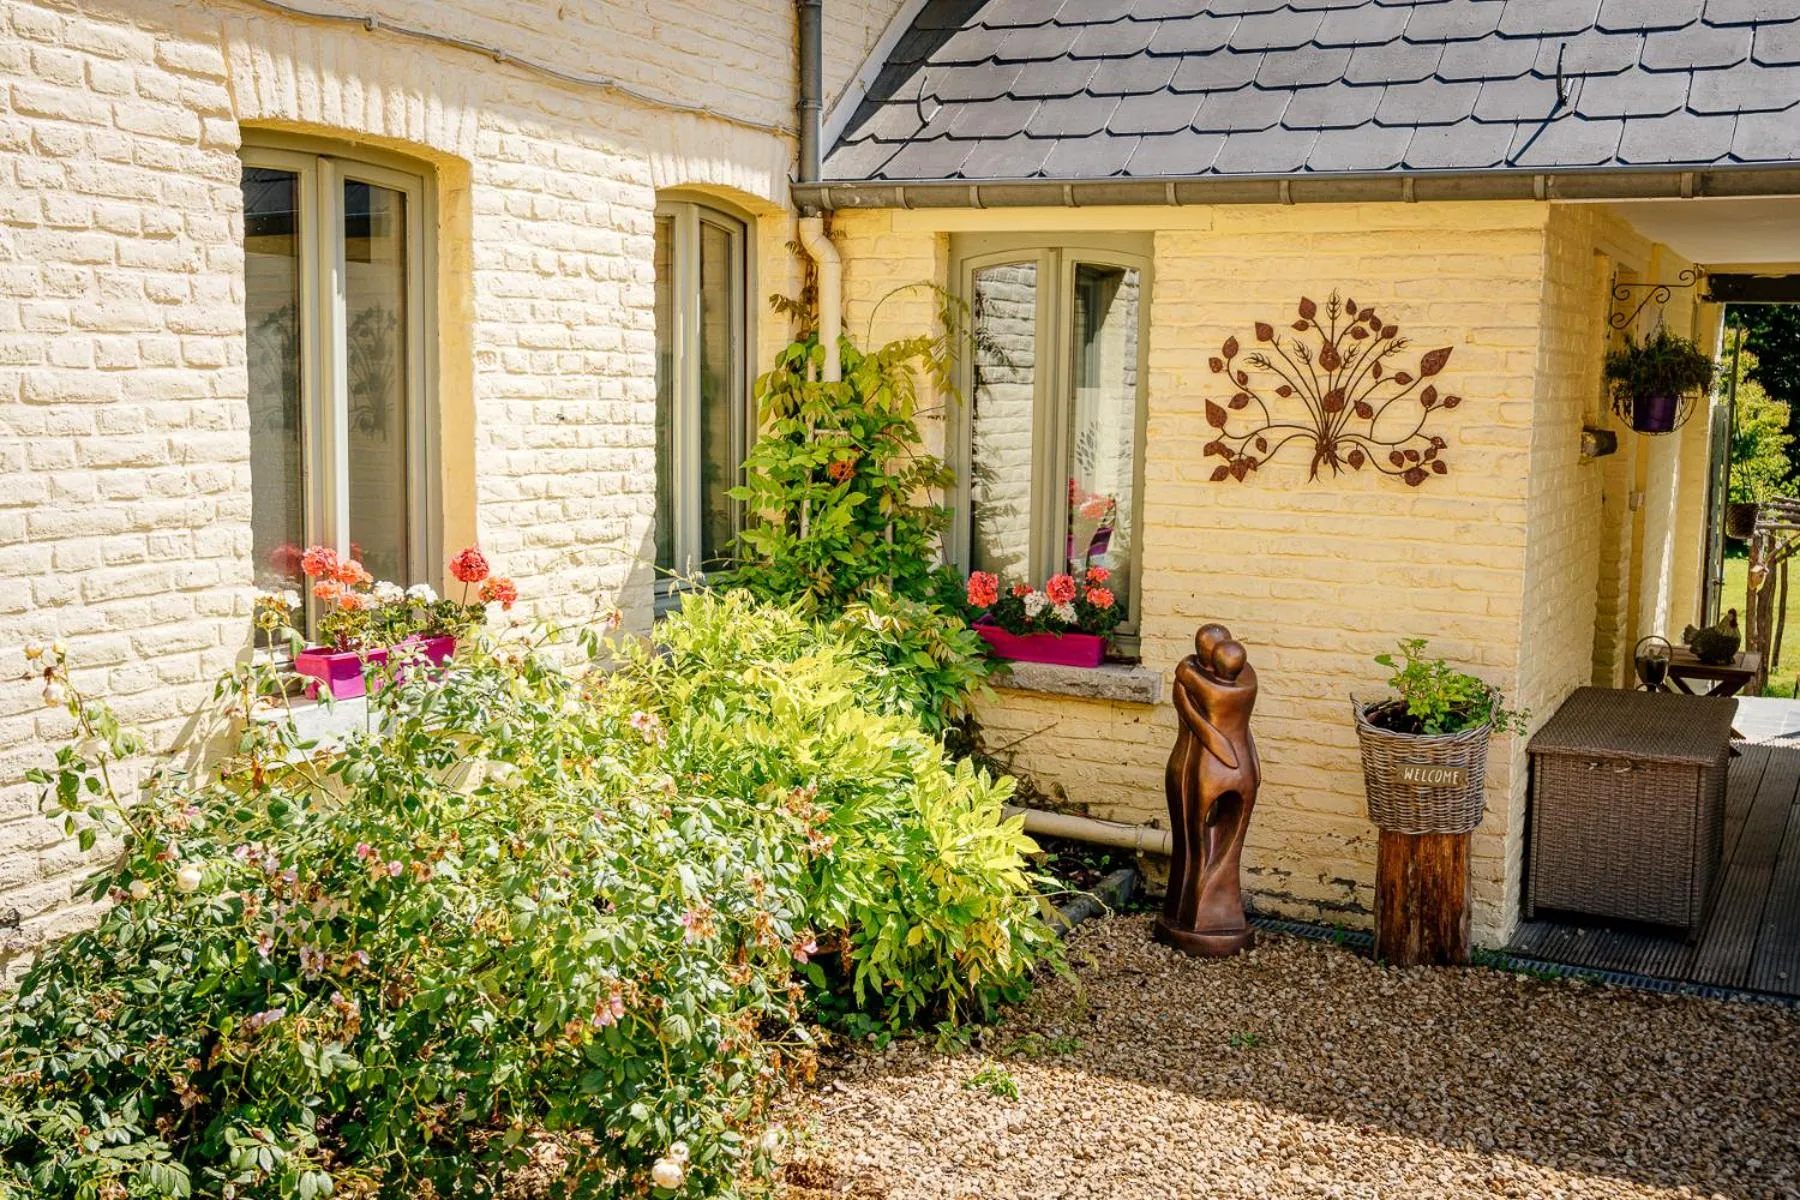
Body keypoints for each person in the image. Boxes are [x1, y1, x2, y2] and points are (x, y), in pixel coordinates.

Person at [1154, 623, 1259, 957]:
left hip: (1208, 767)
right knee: (1218, 842)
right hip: (1243, 765)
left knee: (1198, 838)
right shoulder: (1248, 683)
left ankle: (1197, 911)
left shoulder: (1205, 684)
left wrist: (1186, 672)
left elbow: (1186, 679)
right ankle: (1209, 909)